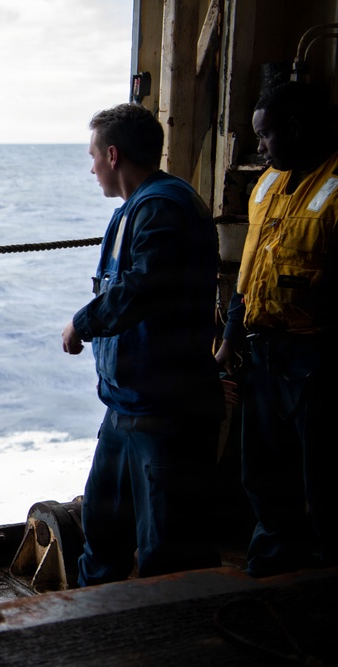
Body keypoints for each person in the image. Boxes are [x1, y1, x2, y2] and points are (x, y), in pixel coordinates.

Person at [62, 103, 224, 586]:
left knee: (171, 555)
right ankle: (94, 631)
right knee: (103, 532)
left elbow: (143, 287)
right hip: (127, 408)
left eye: (92, 156)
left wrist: (81, 323)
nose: (90, 168)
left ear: (112, 155)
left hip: (166, 413)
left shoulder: (162, 207)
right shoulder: (135, 211)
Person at [214, 81, 338, 577]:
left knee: (322, 482)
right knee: (263, 476)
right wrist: (227, 344)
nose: (260, 146)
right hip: (263, 357)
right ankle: (268, 574)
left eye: (265, 136)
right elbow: (249, 276)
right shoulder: (266, 185)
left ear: (296, 128)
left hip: (315, 360)